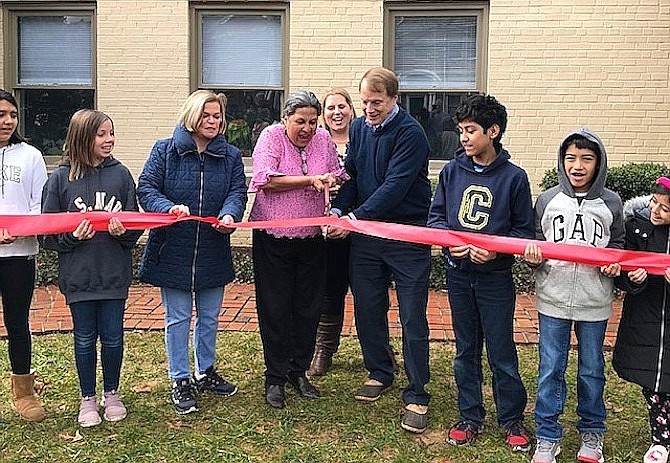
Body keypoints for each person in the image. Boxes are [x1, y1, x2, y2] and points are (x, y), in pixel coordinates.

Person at [427, 94, 534, 451]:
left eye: (471, 131)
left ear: (493, 131)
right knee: (465, 348)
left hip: (495, 279)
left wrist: (495, 250)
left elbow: (523, 231)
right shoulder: (450, 172)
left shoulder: (515, 178)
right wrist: (448, 242)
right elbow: (437, 218)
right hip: (458, 275)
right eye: (460, 131)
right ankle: (469, 416)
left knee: (501, 350)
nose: (464, 138)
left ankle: (511, 418)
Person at [328, 67, 432, 434]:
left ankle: (418, 391)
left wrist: (353, 217)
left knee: (411, 315)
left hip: (407, 234)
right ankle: (379, 371)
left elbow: (396, 185)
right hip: (367, 237)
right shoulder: (358, 129)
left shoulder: (411, 133)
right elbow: (352, 175)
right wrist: (340, 210)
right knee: (368, 307)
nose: (369, 109)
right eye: (365, 102)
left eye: (377, 102)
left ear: (394, 99)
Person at [137, 90, 247, 415]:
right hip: (173, 249)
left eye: (217, 116)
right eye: (206, 115)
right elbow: (146, 188)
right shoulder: (164, 150)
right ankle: (180, 378)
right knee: (179, 318)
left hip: (213, 248)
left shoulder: (230, 156)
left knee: (210, 318)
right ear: (192, 116)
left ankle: (205, 371)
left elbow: (237, 192)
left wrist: (230, 215)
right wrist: (168, 208)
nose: (212, 121)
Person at [524, 128, 624, 463]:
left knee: (592, 368)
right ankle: (547, 435)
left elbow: (618, 246)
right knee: (551, 367)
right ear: (561, 161)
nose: (577, 165)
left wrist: (614, 265)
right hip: (553, 298)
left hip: (595, 303)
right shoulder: (548, 200)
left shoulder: (611, 203)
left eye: (586, 158)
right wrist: (533, 261)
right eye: (570, 158)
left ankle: (593, 431)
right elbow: (536, 241)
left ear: (599, 163)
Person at [41, 109, 142, 427]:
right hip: (79, 278)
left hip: (113, 276)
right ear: (83, 137)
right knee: (84, 338)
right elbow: (46, 235)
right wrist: (71, 238)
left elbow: (135, 224)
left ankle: (111, 393)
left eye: (111, 133)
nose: (109, 140)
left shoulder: (122, 174)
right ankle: (87, 399)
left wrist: (123, 232)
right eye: (101, 134)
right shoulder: (60, 179)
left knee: (113, 337)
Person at [249, 90, 345, 409]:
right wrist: (310, 180)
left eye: (312, 121)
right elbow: (265, 180)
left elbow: (336, 177)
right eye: (300, 121)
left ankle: (297, 371)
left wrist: (334, 202)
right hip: (272, 236)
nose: (307, 128)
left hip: (311, 238)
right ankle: (274, 377)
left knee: (308, 308)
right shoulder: (271, 137)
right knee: (276, 308)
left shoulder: (323, 140)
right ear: (285, 118)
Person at [612, 177, 670, 463]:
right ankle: (660, 439)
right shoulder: (637, 228)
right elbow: (624, 271)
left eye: (665, 209)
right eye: (654, 203)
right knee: (654, 383)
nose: (656, 211)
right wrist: (633, 278)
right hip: (645, 321)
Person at [0, 89, 48, 422]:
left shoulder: (30, 155)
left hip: (19, 255)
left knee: (18, 323)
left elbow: (39, 205)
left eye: (12, 115)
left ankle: (24, 391)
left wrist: (22, 230)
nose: (7, 121)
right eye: (1, 114)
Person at [307, 88, 355, 377]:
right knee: (330, 288)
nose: (336, 112)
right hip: (325, 227)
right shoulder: (317, 142)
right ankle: (324, 349)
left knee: (369, 292)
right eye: (330, 108)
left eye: (342, 106)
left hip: (360, 223)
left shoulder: (364, 139)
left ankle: (380, 348)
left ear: (351, 109)